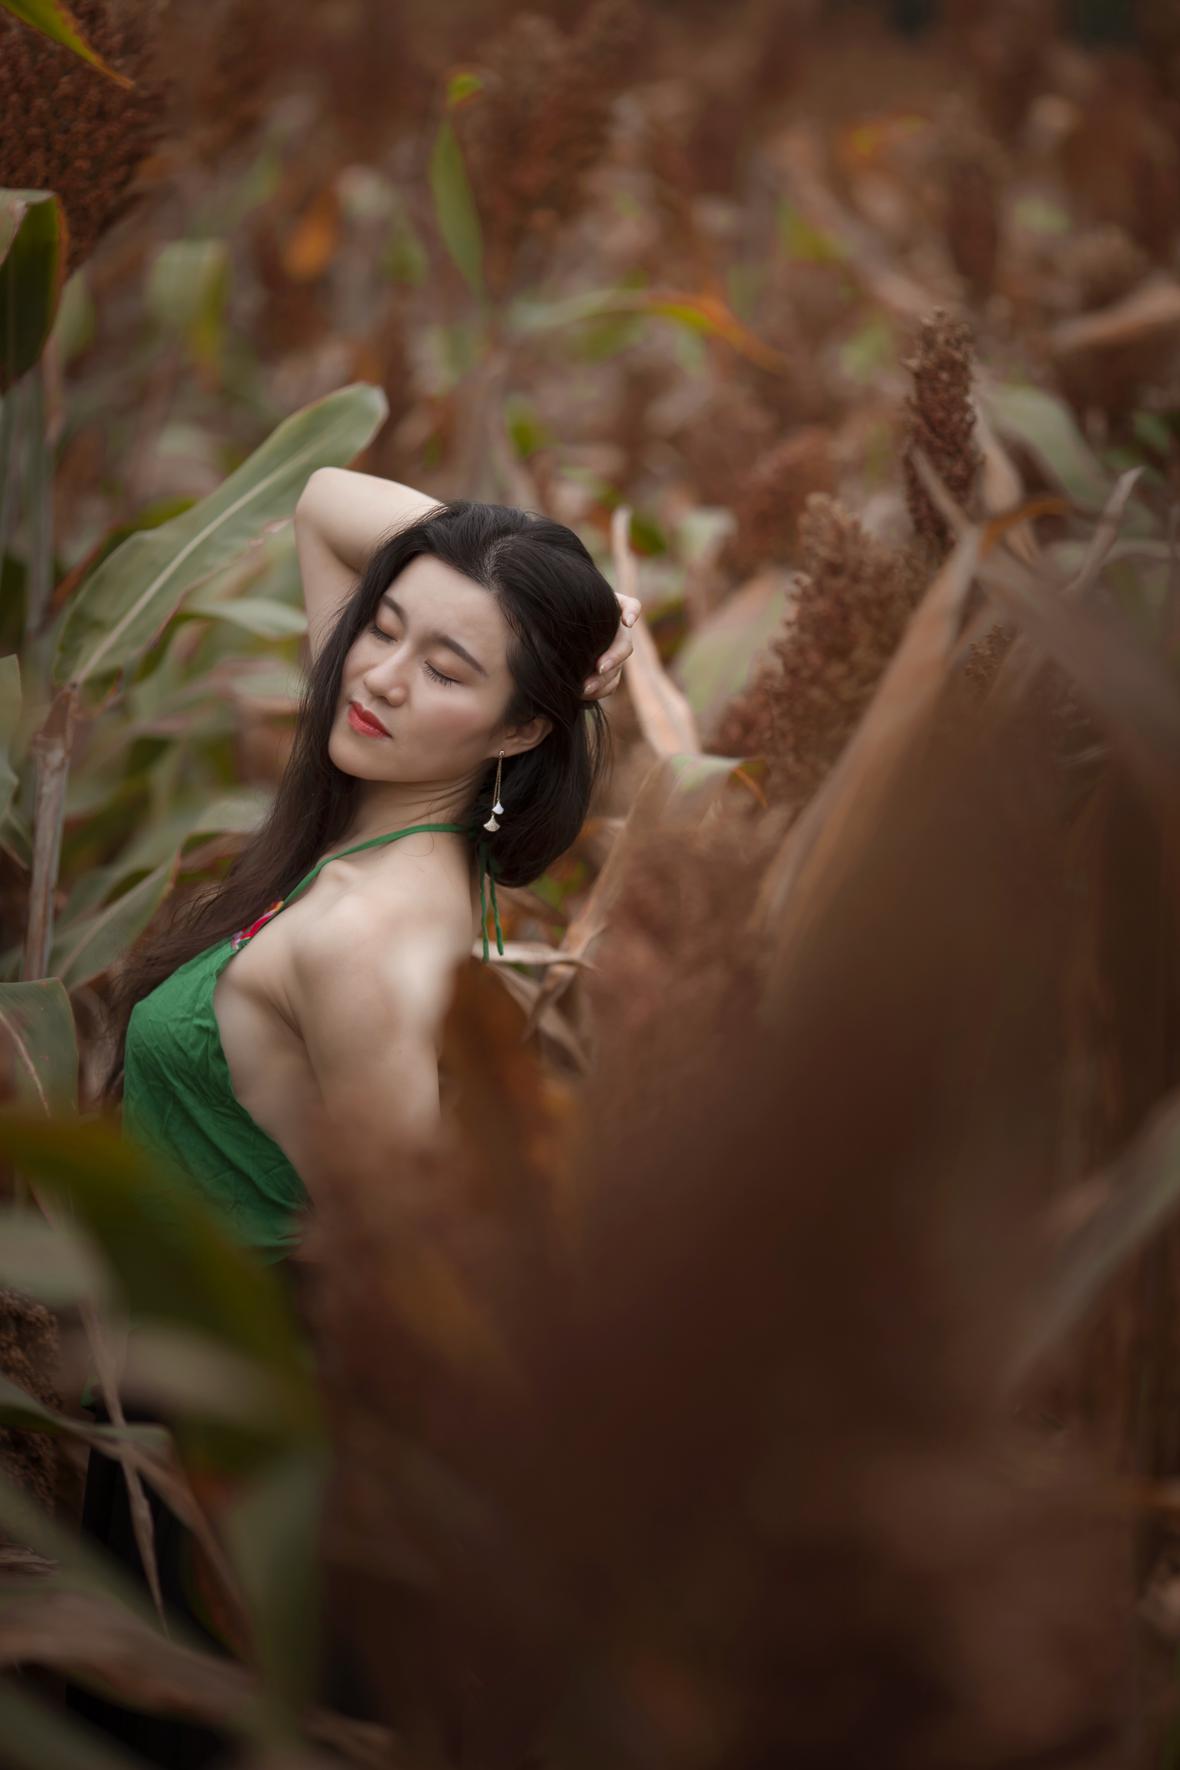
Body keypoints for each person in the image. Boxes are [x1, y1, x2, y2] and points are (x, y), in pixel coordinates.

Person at [67, 468, 640, 1764]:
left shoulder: (368, 940)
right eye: (382, 627)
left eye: (446, 668)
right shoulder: (393, 817)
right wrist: (578, 618)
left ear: (517, 729)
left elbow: (405, 1281)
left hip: (236, 1468)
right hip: (187, 1415)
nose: (377, 676)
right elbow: (327, 499)